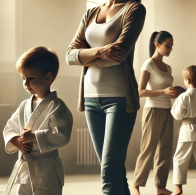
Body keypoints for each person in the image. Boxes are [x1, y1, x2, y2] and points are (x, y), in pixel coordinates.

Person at [66, 0, 146, 194]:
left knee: (109, 174)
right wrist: (101, 51)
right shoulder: (92, 12)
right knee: (115, 172)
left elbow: (119, 55)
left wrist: (86, 57)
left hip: (119, 98)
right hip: (90, 98)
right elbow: (69, 55)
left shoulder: (134, 9)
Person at [3, 46, 73, 195]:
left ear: (48, 77)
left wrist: (34, 136)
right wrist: (17, 141)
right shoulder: (24, 106)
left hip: (48, 166)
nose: (26, 84)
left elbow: (62, 134)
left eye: (31, 78)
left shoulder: (57, 106)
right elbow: (10, 127)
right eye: (23, 78)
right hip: (25, 166)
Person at [132, 31, 176, 195]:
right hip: (153, 110)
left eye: (171, 46)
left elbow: (168, 91)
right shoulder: (148, 64)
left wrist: (174, 93)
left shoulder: (169, 68)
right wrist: (163, 91)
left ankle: (160, 187)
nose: (170, 49)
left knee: (165, 149)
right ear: (157, 44)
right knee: (148, 148)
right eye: (167, 45)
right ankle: (136, 185)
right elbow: (140, 92)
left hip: (168, 111)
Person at [170, 65, 196, 195]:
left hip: (187, 130)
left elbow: (177, 115)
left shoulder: (184, 96)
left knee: (180, 159)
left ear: (188, 81)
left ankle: (178, 189)